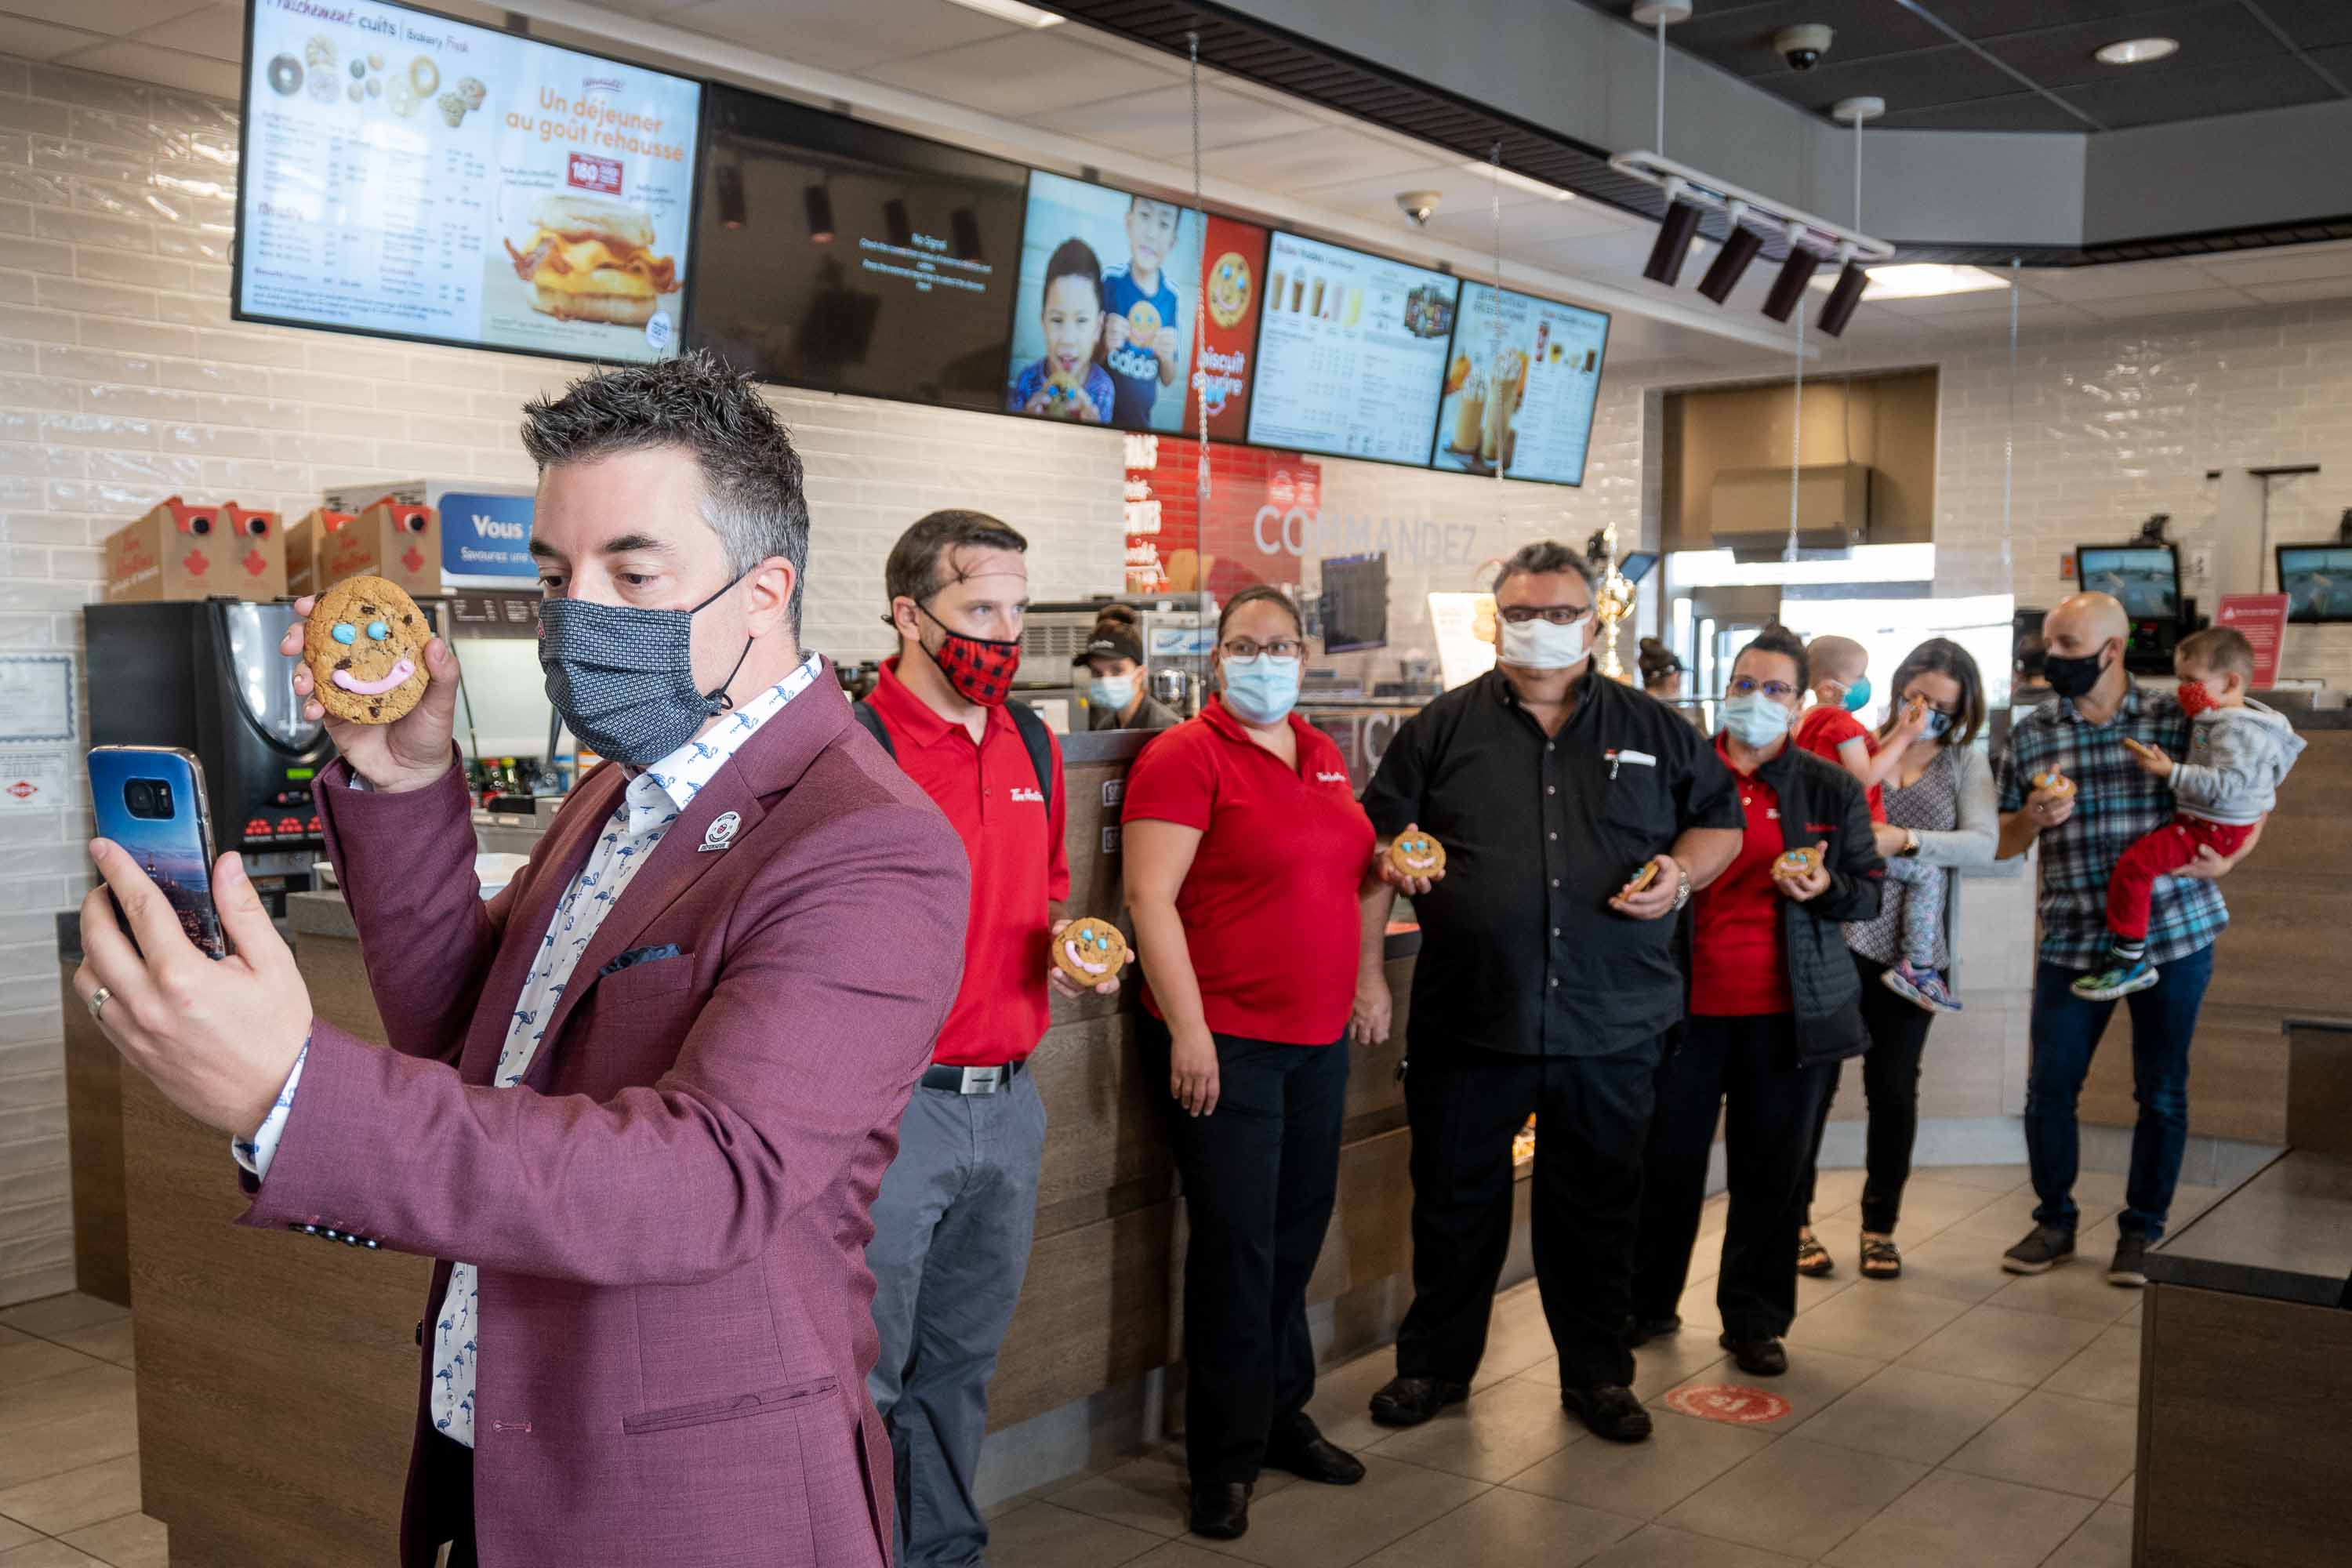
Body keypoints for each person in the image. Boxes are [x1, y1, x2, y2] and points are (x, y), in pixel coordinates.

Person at [73, 351, 967, 1566]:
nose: (575, 615)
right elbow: (467, 1038)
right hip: (495, 1449)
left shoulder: (866, 841)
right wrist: (404, 783)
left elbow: (705, 1182)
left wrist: (294, 1095)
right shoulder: (621, 788)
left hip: (686, 1499)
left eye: (632, 573)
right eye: (555, 575)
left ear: (765, 592)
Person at [1354, 541, 1744, 1444]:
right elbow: (1374, 848)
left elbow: (1718, 822)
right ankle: (1433, 1367)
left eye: (1561, 612)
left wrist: (1681, 875)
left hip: (1613, 1017)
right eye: (1523, 612)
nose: (1542, 627)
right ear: (1497, 623)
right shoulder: (1440, 728)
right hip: (1471, 1016)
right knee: (1454, 1205)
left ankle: (1599, 1374)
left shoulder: (1653, 728)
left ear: (1594, 624)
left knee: (1598, 1208)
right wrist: (1368, 969)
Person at [856, 510, 1127, 1568]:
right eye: (980, 609)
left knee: (960, 1367)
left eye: (1017, 610)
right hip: (889, 1113)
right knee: (865, 1373)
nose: (1003, 635)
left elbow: (1043, 895)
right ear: (909, 614)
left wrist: (1064, 946)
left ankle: (944, 1553)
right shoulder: (854, 750)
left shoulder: (1034, 746)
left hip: (1009, 1104)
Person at [1121, 584, 1374, 1541]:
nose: (1263, 660)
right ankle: (1222, 1458)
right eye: (1244, 645)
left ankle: (1278, 1415)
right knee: (1238, 1248)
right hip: (1226, 1043)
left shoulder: (1320, 752)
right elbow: (1151, 899)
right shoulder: (1185, 755)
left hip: (1316, 1041)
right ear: (1217, 658)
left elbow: (1348, 869)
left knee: (1295, 1235)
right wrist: (1190, 1030)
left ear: (1304, 658)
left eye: (1279, 646)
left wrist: (1366, 978)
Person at [1632, 626, 1883, 1378]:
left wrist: (1826, 887)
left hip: (1787, 1015)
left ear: (1800, 703)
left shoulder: (1829, 787)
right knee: (1664, 1165)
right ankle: (1646, 1304)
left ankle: (1754, 1320)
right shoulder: (1679, 776)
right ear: (1726, 689)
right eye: (1746, 684)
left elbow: (1867, 892)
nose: (1757, 699)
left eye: (1776, 689)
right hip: (1680, 1011)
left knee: (1772, 1173)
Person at [1996, 591, 2262, 1289]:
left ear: (2112, 650)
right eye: (2048, 643)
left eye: (2067, 646)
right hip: (2073, 939)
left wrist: (2232, 857)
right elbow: (2003, 841)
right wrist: (2031, 818)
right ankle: (2054, 1222)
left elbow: (2253, 786)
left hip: (2173, 935)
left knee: (2161, 1091)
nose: (2050, 657)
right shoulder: (2032, 733)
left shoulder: (2180, 716)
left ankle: (2142, 1230)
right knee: (2049, 1090)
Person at [1795, 639, 1998, 1282]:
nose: (1925, 713)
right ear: (1897, 689)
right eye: (1916, 698)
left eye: (1942, 706)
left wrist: (1906, 839)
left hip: (1915, 952)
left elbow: (1982, 844)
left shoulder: (1963, 762)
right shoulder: (1857, 744)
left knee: (1892, 1087)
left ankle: (1879, 1227)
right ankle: (1794, 1221)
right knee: (1812, 1084)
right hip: (1839, 936)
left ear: (1962, 709)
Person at [2074, 626, 2303, 1002]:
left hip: (2211, 829)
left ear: (2231, 682)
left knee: (2136, 866)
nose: (2182, 690)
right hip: (2207, 821)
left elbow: (2230, 785)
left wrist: (2171, 772)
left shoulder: (2236, 729)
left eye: (2191, 681)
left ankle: (2130, 957)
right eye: (2180, 679)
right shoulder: (2222, 718)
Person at [1794, 636, 1959, 1015]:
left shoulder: (1806, 722)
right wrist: (1905, 737)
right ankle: (1917, 965)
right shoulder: (1841, 723)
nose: (1865, 683)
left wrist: (1896, 734)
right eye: (1859, 676)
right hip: (1856, 840)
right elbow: (1864, 778)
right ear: (1829, 687)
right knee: (1927, 876)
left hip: (1825, 838)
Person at [1009, 238, 1116, 424]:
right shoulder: (1026, 380)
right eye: (1057, 320)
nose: (1068, 339)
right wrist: (1025, 419)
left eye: (1081, 320)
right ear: (1043, 322)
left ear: (1098, 327)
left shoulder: (1103, 389)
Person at [1102, 195, 1185, 428]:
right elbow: (1089, 361)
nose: (1152, 233)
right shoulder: (1111, 282)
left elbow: (1168, 378)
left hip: (1141, 428)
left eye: (1164, 224)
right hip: (1100, 419)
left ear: (1172, 243)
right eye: (1145, 216)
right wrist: (1104, 345)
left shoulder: (1171, 297)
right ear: (1129, 223)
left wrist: (1166, 357)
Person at [1074, 606, 1180, 731]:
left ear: (1140, 674)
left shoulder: (1164, 728)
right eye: (1097, 672)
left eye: (1117, 670)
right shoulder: (1106, 727)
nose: (1105, 681)